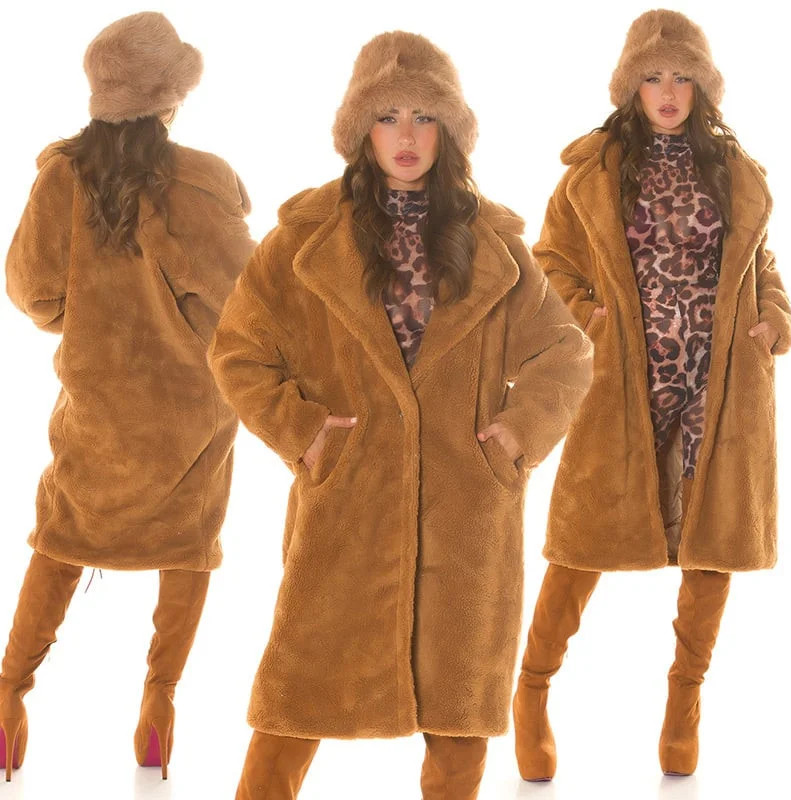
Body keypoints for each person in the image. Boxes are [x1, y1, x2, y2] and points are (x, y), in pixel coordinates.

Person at [209, 30, 593, 800]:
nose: (407, 135)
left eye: (425, 116)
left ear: (449, 130)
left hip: (466, 508)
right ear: (362, 130)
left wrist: (515, 436)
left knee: (458, 711)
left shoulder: (494, 246)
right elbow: (238, 351)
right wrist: (305, 432)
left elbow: (566, 351)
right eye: (388, 117)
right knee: (298, 692)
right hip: (348, 502)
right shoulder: (304, 240)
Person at [512, 9, 791, 780]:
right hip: (623, 382)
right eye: (652, 77)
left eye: (682, 78)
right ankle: (532, 692)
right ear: (630, 86)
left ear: (703, 88)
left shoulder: (734, 170)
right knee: (582, 539)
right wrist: (588, 317)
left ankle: (683, 703)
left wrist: (774, 319)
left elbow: (760, 262)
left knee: (713, 541)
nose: (668, 92)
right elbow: (548, 262)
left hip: (718, 381)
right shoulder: (593, 173)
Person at [0, 12, 255, 781]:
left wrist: (92, 319)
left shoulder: (61, 176)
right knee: (188, 543)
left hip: (98, 406)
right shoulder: (201, 181)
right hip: (189, 410)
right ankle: (159, 705)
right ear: (172, 96)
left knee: (62, 536)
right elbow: (246, 300)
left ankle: (8, 696)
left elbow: (31, 292)